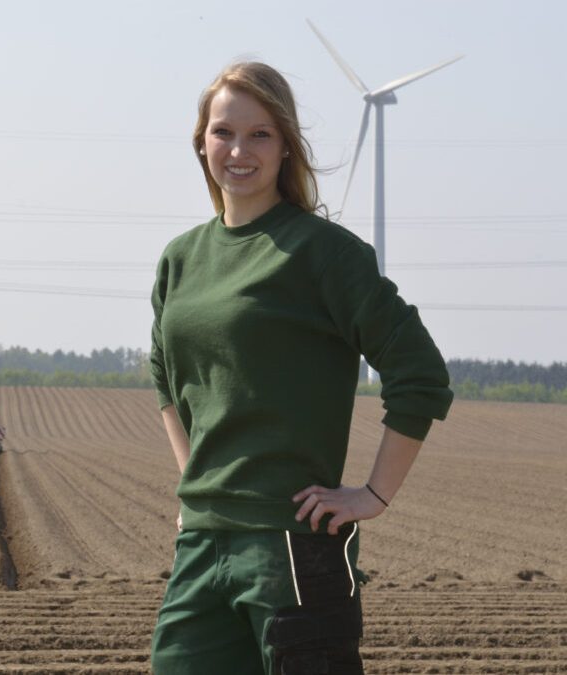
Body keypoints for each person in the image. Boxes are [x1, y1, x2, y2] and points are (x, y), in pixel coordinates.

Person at [148, 61, 453, 674]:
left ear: (286, 145)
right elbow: (163, 377)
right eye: (223, 132)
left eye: (260, 134)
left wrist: (372, 494)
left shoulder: (325, 254)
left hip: (291, 546)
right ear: (201, 141)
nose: (239, 149)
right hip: (200, 546)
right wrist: (194, 484)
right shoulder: (181, 259)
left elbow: (419, 374)